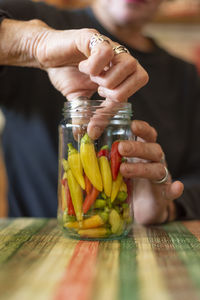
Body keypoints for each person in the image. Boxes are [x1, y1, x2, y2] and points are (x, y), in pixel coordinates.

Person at [0, 0, 199, 224]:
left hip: (145, 244)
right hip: (35, 247)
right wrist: (36, 43)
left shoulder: (185, 76)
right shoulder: (38, 20)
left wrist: (168, 207)